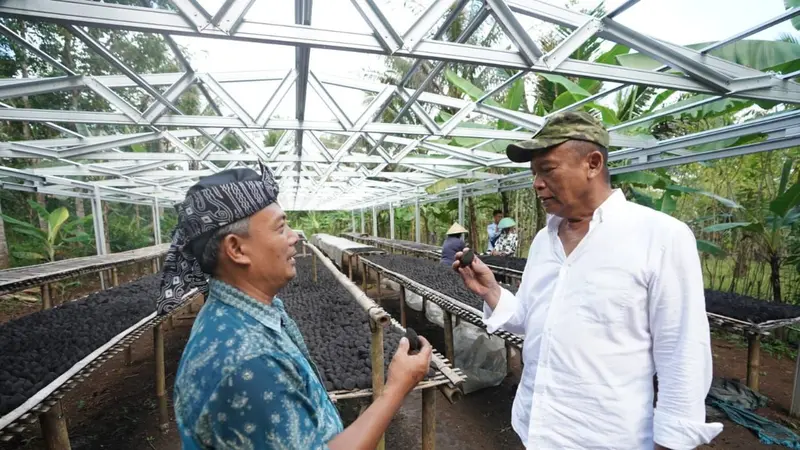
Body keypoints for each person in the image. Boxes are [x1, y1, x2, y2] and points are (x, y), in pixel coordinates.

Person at [452, 111, 722, 450]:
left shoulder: (661, 237)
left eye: (547, 169)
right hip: (534, 427)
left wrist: (671, 441)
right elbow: (536, 322)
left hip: (606, 438)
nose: (536, 182)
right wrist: (491, 291)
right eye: (534, 173)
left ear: (592, 164)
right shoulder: (543, 241)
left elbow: (683, 351)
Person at [159, 164, 433, 450]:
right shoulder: (251, 363)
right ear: (237, 249)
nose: (295, 237)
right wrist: (397, 387)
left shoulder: (233, 317)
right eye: (281, 227)